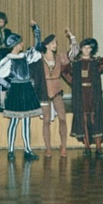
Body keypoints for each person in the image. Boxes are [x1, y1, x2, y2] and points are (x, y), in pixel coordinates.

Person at [0, 21, 43, 161]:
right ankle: (11, 150)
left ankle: (28, 149)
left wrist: (36, 29)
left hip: (26, 88)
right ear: (15, 45)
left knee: (26, 121)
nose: (22, 44)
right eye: (20, 43)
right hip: (16, 90)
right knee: (14, 121)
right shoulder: (8, 59)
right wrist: (8, 85)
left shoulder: (25, 56)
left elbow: (38, 47)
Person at [30, 27, 78, 157]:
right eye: (53, 43)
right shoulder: (39, 59)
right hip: (44, 92)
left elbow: (74, 54)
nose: (55, 45)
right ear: (46, 45)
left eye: (56, 43)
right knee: (46, 120)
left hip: (57, 91)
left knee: (62, 119)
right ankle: (48, 148)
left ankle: (63, 146)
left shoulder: (60, 58)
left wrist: (72, 37)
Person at [62, 38, 103, 158]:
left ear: (91, 49)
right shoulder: (76, 63)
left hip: (94, 94)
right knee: (83, 119)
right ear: (81, 49)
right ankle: (87, 148)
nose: (87, 50)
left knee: (95, 119)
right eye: (84, 47)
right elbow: (65, 71)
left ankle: (98, 148)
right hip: (81, 95)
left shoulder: (96, 62)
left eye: (89, 48)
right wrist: (74, 83)